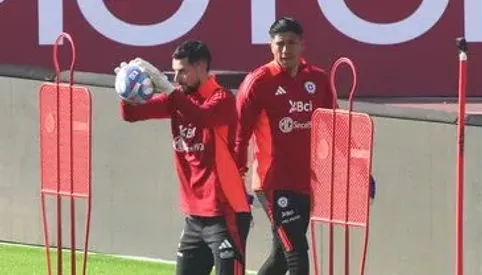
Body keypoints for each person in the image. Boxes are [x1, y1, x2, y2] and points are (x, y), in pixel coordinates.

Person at [234, 17, 376, 275]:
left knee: (280, 258)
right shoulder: (258, 82)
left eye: (291, 43)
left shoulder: (318, 80)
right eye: (279, 44)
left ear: (303, 46)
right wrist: (236, 180)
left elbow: (336, 129)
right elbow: (239, 135)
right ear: (270, 46)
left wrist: (359, 171)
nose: (285, 50)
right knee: (298, 255)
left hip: (305, 184)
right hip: (272, 183)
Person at [115, 40, 253, 275]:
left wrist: (169, 91)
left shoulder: (222, 99)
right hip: (194, 217)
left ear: (201, 67)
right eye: (174, 72)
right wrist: (125, 90)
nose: (177, 79)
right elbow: (132, 115)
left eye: (182, 71)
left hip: (225, 214)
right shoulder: (178, 99)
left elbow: (201, 117)